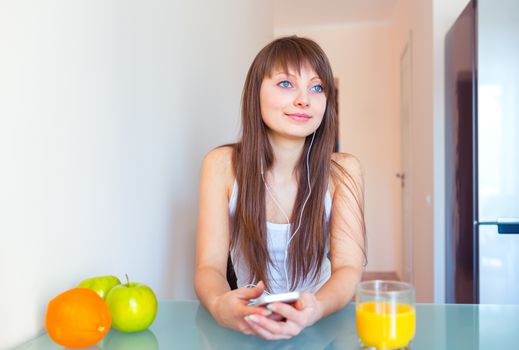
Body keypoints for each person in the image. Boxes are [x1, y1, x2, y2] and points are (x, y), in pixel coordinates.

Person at [194, 36, 366, 340]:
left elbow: (349, 270)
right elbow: (209, 267)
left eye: (317, 87)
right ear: (255, 92)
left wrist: (314, 309)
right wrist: (221, 305)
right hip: (251, 325)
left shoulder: (343, 171)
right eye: (286, 84)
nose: (304, 100)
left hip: (322, 323)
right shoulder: (220, 165)